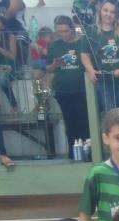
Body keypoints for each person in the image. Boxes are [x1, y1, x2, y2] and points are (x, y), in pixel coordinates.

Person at [80, 0, 119, 112]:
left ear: (116, 15)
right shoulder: (90, 31)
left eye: (112, 12)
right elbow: (84, 54)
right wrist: (90, 70)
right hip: (103, 80)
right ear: (100, 11)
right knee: (110, 114)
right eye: (105, 10)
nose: (108, 14)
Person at [46, 15, 90, 161]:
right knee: (70, 124)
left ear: (72, 28)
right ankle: (73, 153)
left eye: (66, 31)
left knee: (84, 122)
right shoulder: (54, 46)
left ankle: (88, 153)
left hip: (81, 90)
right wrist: (54, 65)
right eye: (60, 32)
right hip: (63, 91)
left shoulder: (82, 43)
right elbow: (49, 69)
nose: (63, 34)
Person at [0, 14, 17, 112]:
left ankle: (14, 106)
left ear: (3, 26)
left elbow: (12, 56)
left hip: (8, 66)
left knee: (2, 78)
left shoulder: (10, 37)